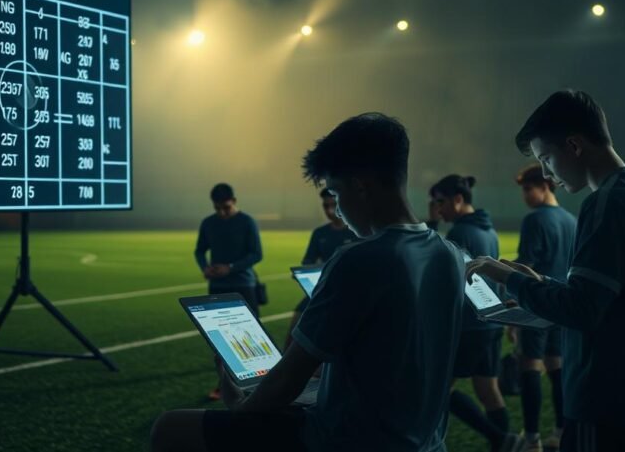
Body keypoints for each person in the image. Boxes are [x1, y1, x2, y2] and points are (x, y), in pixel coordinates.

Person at [152, 112, 466, 452]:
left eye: (336, 191)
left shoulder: (359, 259)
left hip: (351, 441)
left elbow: (288, 380)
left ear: (361, 183)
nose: (339, 211)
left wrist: (240, 405)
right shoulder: (450, 255)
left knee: (169, 428)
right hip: (427, 443)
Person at [466, 90, 625, 452]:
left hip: (608, 403)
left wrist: (508, 278)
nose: (548, 176)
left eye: (547, 159)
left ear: (574, 145)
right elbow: (602, 298)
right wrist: (540, 282)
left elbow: (581, 310)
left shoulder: (609, 202)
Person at [430, 175, 518, 452]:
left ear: (458, 199)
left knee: (438, 391)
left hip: (469, 325)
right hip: (492, 321)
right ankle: (505, 444)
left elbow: (449, 283)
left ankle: (500, 438)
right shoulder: (487, 230)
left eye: (440, 202)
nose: (437, 209)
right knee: (489, 391)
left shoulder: (459, 234)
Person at [512, 164, 577, 451]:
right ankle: (562, 432)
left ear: (545, 186)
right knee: (557, 366)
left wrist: (513, 315)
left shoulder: (534, 220)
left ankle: (532, 438)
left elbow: (526, 266)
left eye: (528, 189)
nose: (525, 196)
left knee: (530, 367)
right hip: (562, 303)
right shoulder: (572, 220)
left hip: (536, 304)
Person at [194, 183, 264, 400]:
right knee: (220, 340)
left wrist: (230, 268)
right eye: (217, 208)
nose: (222, 213)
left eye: (225, 207)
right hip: (217, 286)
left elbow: (257, 254)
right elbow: (199, 250)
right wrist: (205, 267)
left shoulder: (246, 222)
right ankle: (224, 384)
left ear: (234, 201)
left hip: (244, 284)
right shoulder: (208, 223)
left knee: (250, 337)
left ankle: (257, 382)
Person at [284, 188, 357, 348]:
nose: (330, 210)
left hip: (346, 291)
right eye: (326, 205)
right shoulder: (320, 233)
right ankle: (286, 363)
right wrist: (302, 273)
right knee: (297, 318)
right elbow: (308, 260)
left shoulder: (356, 231)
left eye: (333, 204)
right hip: (320, 288)